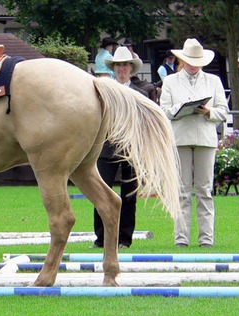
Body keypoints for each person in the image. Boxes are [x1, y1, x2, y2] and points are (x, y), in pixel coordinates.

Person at [160, 38, 229, 248]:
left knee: (204, 191)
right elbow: (163, 111)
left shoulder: (213, 81)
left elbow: (223, 111)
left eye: (197, 61)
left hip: (205, 139)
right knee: (181, 191)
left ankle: (206, 240)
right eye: (190, 60)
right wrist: (180, 109)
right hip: (180, 138)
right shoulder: (170, 81)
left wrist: (208, 112)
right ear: (183, 60)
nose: (193, 65)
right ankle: (181, 239)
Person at [92, 46, 148, 249]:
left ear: (131, 68)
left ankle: (124, 238)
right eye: (118, 65)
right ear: (114, 68)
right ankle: (101, 238)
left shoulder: (142, 94)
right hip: (106, 148)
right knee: (100, 192)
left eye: (125, 65)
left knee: (129, 196)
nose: (122, 69)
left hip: (131, 150)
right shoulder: (104, 91)